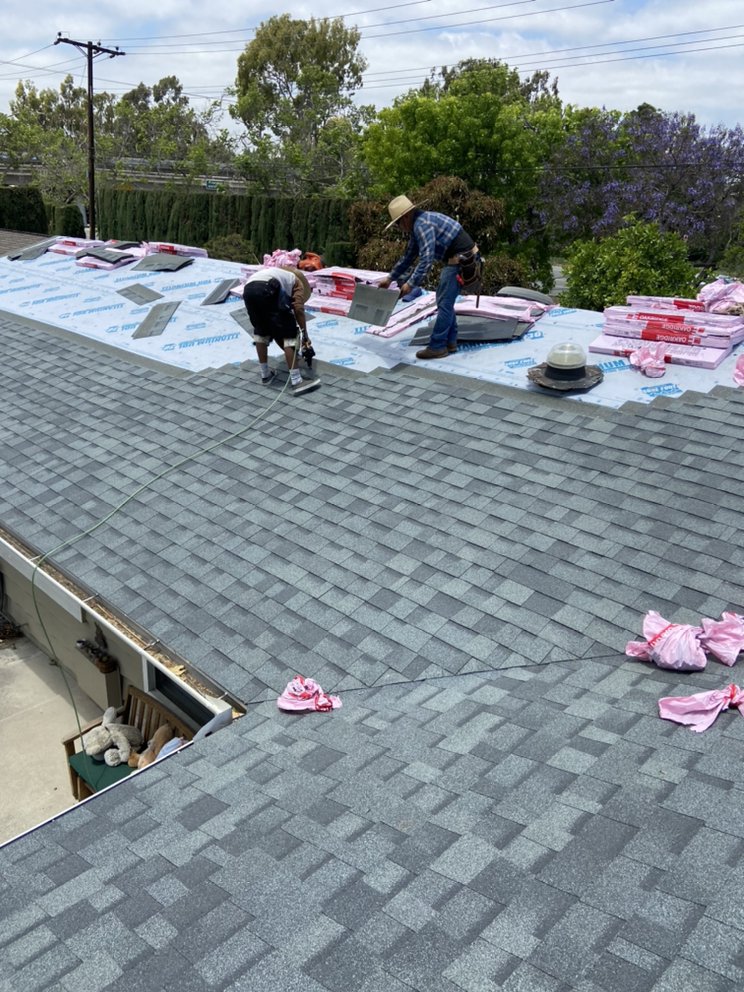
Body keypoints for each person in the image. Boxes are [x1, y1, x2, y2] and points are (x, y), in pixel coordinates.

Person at [378, 195, 480, 360]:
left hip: (462, 260)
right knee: (444, 301)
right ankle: (450, 342)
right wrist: (390, 278)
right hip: (458, 258)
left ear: (405, 217)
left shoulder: (422, 225)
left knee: (444, 303)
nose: (399, 227)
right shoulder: (418, 225)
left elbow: (426, 259)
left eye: (397, 223)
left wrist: (410, 284)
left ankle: (437, 346)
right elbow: (409, 256)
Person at [242, 265, 317, 395]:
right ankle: (296, 380)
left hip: (248, 290)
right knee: (289, 334)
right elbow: (298, 309)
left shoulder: (278, 275)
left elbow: (275, 328)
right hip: (267, 288)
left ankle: (265, 374)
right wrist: (305, 335)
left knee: (261, 331)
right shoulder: (297, 283)